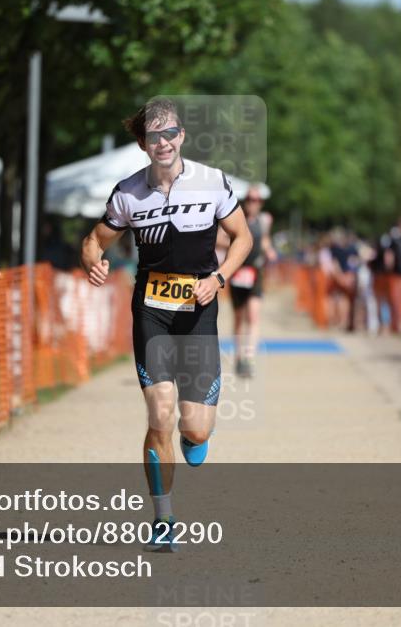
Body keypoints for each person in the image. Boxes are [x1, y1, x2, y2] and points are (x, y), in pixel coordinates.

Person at [80, 98, 252, 552]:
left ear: (181, 136)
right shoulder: (128, 193)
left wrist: (218, 279)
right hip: (151, 310)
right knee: (159, 414)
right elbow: (95, 239)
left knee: (194, 428)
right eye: (154, 135)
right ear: (142, 143)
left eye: (170, 133)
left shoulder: (212, 182)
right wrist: (91, 260)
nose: (164, 142)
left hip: (198, 308)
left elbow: (243, 237)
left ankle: (196, 434)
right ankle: (163, 519)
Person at [219, 186, 277, 378]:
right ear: (245, 200)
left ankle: (249, 359)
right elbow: (219, 239)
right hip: (238, 272)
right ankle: (238, 357)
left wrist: (269, 251)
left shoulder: (265, 221)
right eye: (251, 199)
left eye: (258, 200)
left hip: (255, 273)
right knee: (239, 318)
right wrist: (238, 245)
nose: (254, 203)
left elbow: (266, 240)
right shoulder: (235, 219)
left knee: (253, 316)